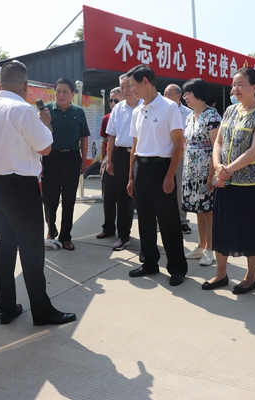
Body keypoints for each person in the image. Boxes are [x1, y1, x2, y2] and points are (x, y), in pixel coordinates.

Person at [0, 60, 76, 327]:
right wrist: (44, 124)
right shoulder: (23, 110)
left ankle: (6, 308)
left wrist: (0, 158)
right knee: (31, 251)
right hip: (21, 187)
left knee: (4, 248)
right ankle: (42, 311)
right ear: (26, 86)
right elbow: (45, 148)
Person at [204, 67, 255, 294]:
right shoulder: (230, 110)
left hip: (250, 185)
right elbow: (218, 142)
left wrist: (227, 170)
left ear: (254, 87)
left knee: (251, 232)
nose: (235, 88)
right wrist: (218, 166)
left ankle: (250, 277)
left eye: (240, 84)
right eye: (233, 84)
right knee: (222, 229)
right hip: (225, 182)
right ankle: (221, 274)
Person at [125, 64, 188, 286]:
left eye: (133, 85)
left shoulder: (168, 107)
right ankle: (149, 262)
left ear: (145, 82)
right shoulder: (137, 111)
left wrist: (170, 176)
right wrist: (131, 177)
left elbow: (178, 143)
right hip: (141, 168)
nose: (131, 90)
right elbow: (134, 147)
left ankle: (177, 268)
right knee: (144, 220)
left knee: (169, 221)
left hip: (162, 168)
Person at [42, 77, 90, 251]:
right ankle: (51, 229)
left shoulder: (79, 112)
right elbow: (38, 136)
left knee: (69, 199)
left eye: (65, 92)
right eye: (58, 91)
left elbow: (84, 137)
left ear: (72, 94)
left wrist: (83, 160)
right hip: (51, 158)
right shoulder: (46, 111)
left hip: (71, 158)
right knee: (50, 199)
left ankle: (66, 236)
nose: (61, 95)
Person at [180, 78, 221, 266]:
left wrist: (211, 175)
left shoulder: (212, 116)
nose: (185, 97)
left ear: (199, 94)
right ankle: (201, 245)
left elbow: (216, 147)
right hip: (191, 172)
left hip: (206, 171)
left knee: (208, 211)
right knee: (198, 210)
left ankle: (210, 249)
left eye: (188, 93)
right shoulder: (189, 116)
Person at [104, 75, 143, 251]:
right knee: (122, 197)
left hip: (142, 156)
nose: (125, 90)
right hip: (121, 156)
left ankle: (147, 240)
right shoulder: (118, 109)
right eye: (122, 87)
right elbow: (111, 136)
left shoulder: (145, 106)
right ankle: (123, 236)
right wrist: (109, 160)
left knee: (143, 198)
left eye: (128, 86)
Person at [164, 83, 193, 234]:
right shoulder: (162, 109)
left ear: (178, 96)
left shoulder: (188, 113)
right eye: (164, 94)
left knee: (180, 188)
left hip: (181, 154)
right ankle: (163, 219)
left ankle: (182, 221)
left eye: (169, 94)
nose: (165, 97)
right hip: (163, 154)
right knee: (162, 187)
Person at [97, 86, 123, 240]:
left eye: (116, 100)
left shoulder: (131, 114)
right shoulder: (107, 118)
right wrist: (103, 162)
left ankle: (123, 231)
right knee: (107, 196)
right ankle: (108, 227)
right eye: (110, 100)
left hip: (124, 157)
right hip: (109, 158)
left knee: (124, 198)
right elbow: (104, 141)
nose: (112, 103)